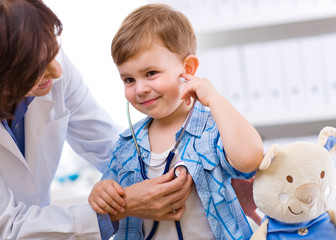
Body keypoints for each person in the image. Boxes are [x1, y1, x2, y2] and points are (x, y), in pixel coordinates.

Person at [0, 1, 193, 239]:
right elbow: (4, 229)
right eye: (35, 69)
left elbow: (112, 148)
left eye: (52, 50)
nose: (57, 71)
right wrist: (115, 208)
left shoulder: (47, 62)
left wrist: (177, 168)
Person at [88, 3, 264, 240]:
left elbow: (249, 158)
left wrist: (214, 98)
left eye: (151, 73)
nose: (140, 89)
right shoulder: (126, 144)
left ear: (187, 68)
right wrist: (100, 192)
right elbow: (109, 191)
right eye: (128, 79)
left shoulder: (213, 128)